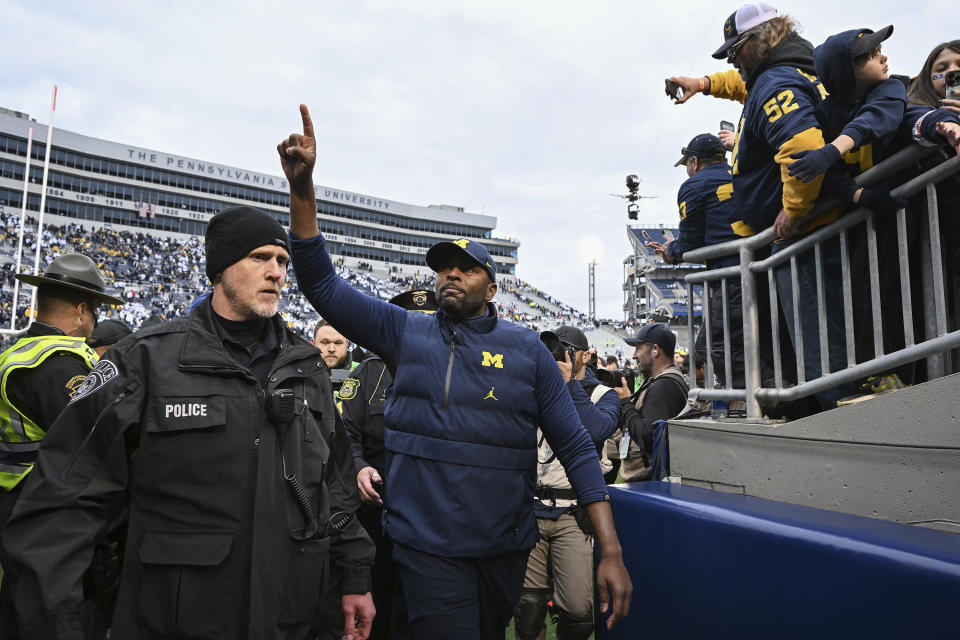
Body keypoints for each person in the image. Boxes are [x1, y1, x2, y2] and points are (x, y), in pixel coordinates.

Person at [278, 104, 631, 639]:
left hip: (505, 548)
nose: (451, 274)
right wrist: (303, 192)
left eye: (466, 268)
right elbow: (322, 285)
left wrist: (609, 548)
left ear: (492, 288)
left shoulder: (528, 350)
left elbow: (577, 447)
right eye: (444, 266)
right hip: (428, 550)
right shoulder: (404, 332)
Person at [3, 206, 376, 640]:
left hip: (285, 617)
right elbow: (65, 498)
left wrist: (354, 576)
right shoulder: (145, 359)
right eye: (259, 257)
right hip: (173, 618)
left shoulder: (306, 366)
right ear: (218, 269)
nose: (275, 272)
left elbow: (336, 484)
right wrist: (59, 623)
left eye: (282, 261)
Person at [0, 253, 123, 639]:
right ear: (83, 311)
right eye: (96, 313)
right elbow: (96, 443)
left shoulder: (16, 354)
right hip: (46, 515)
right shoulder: (60, 365)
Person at [340, 288, 438, 640]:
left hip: (433, 514)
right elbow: (344, 434)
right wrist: (359, 467)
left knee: (425, 608)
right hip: (376, 512)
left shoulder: (456, 369)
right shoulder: (369, 373)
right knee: (376, 600)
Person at [514, 326, 619, 640]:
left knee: (577, 611)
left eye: (566, 349)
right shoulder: (534, 387)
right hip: (530, 507)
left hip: (573, 511)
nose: (558, 355)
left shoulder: (603, 393)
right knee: (528, 608)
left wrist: (569, 384)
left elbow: (598, 430)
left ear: (585, 355)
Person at [648, 133, 747, 390]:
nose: (687, 171)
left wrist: (673, 251)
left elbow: (691, 240)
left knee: (712, 343)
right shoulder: (740, 170)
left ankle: (748, 396)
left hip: (731, 272)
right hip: (759, 261)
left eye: (687, 165)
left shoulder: (694, 185)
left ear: (694, 161)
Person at [608, 324, 689, 482]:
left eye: (638, 348)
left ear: (655, 350)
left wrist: (625, 402)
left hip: (647, 482)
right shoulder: (664, 382)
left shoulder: (664, 386)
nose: (634, 356)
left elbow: (648, 438)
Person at [313, 319, 356, 409]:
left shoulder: (362, 372)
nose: (331, 349)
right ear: (313, 343)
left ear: (347, 344)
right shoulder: (299, 374)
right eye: (325, 342)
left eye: (338, 343)